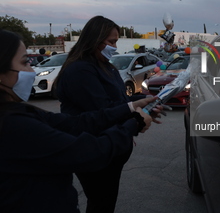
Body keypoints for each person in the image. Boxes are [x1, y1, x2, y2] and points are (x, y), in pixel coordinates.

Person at [0, 29, 157, 213]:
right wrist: (133, 123)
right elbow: (87, 153)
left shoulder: (18, 111)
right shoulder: (13, 125)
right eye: (25, 62)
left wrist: (131, 108)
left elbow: (74, 122)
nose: (32, 71)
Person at [56, 16, 162, 213]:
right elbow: (102, 110)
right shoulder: (80, 70)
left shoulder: (105, 66)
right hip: (94, 149)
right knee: (100, 203)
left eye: (116, 42)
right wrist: (135, 110)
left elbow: (119, 99)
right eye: (111, 42)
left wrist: (146, 101)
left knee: (105, 202)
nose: (114, 47)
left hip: (112, 149)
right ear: (95, 40)